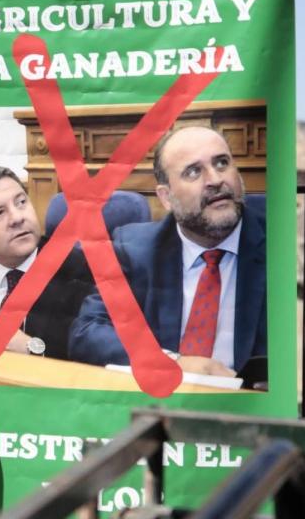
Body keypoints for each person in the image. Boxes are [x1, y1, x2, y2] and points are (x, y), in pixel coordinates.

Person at [69, 126, 266, 377]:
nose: (215, 180)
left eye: (222, 163)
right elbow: (88, 332)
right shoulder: (135, 249)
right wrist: (172, 362)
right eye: (193, 171)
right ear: (166, 198)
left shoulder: (281, 243)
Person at [0, 166, 92, 358]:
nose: (17, 218)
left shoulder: (81, 270)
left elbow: (90, 356)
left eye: (21, 202)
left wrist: (33, 349)